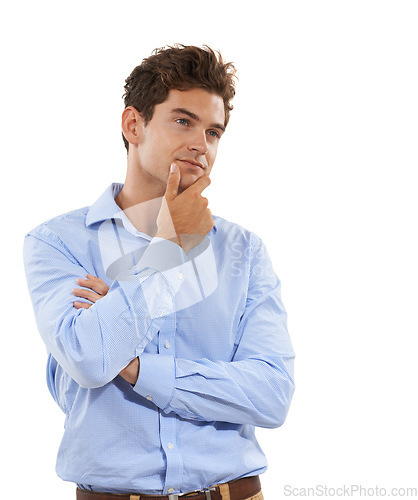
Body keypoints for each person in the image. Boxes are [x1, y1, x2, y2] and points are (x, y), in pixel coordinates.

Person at [23, 44, 295, 500]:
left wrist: (135, 366)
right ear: (134, 125)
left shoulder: (243, 252)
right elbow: (90, 359)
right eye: (183, 120)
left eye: (214, 132)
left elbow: (272, 394)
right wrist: (168, 250)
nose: (200, 145)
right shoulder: (57, 243)